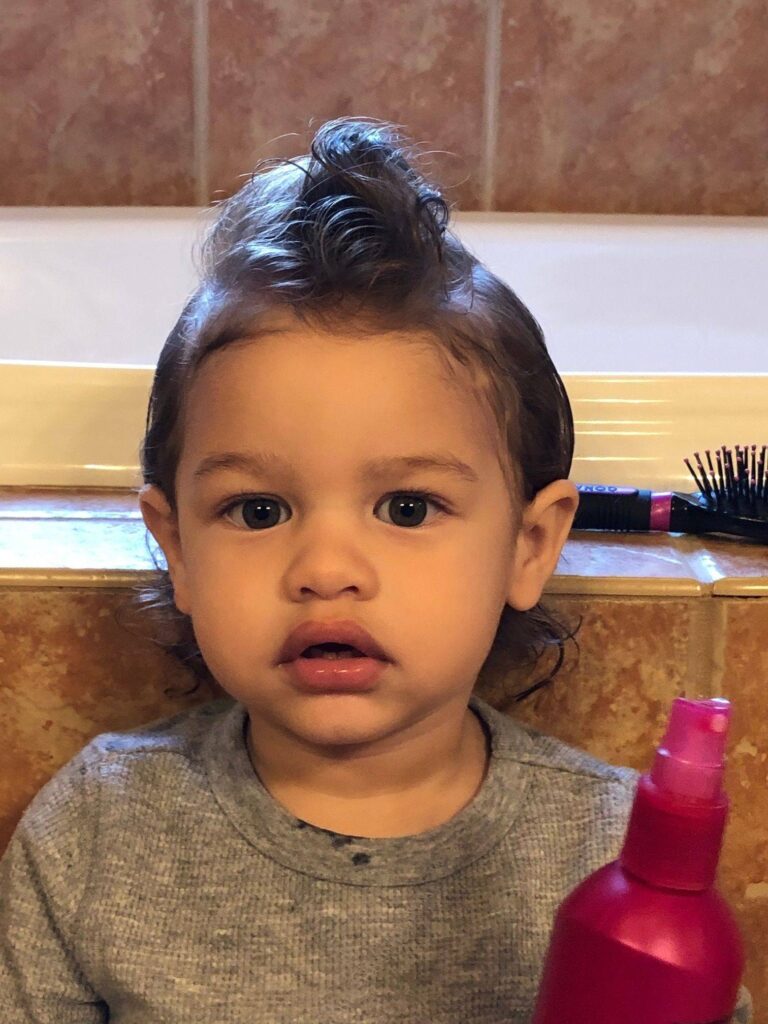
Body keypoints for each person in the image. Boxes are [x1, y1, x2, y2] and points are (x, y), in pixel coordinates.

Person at [0, 117, 752, 1023]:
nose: (325, 570)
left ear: (529, 546)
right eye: (258, 510)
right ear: (177, 550)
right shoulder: (99, 833)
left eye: (406, 508)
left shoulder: (609, 861)